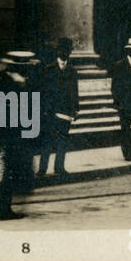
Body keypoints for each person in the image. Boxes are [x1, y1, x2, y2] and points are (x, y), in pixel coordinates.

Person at [0, 51, 38, 220]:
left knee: (11, 172)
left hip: (17, 135)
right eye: (26, 67)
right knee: (10, 172)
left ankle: (4, 207)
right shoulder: (6, 84)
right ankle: (2, 209)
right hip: (10, 136)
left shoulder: (17, 82)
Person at [37, 36, 79, 176]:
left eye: (67, 50)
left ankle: (59, 168)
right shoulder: (49, 69)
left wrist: (76, 109)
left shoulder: (72, 70)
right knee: (47, 141)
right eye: (62, 50)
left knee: (62, 141)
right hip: (51, 111)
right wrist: (44, 110)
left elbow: (75, 91)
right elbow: (43, 91)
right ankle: (43, 168)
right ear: (57, 51)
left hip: (66, 111)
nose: (65, 53)